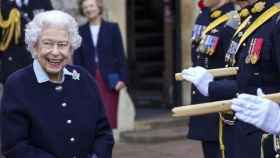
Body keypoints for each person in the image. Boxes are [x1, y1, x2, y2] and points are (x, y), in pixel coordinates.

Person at [1, 10, 114, 158]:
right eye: (47, 43)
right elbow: (14, 146)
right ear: (34, 46)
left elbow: (103, 133)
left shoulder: (83, 78)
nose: (55, 52)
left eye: (62, 44)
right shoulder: (17, 84)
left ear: (71, 48)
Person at [182, 0, 280, 157]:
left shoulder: (275, 19)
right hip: (242, 134)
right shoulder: (252, 18)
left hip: (267, 141)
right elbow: (244, 78)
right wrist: (211, 86)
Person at [74, 0, 128, 129]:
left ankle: (107, 143)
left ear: (99, 7)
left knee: (109, 115)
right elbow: (77, 59)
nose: (88, 9)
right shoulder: (80, 31)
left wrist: (123, 78)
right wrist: (78, 80)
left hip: (111, 79)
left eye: (91, 6)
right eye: (85, 7)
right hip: (88, 78)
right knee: (92, 114)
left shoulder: (112, 28)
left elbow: (120, 55)